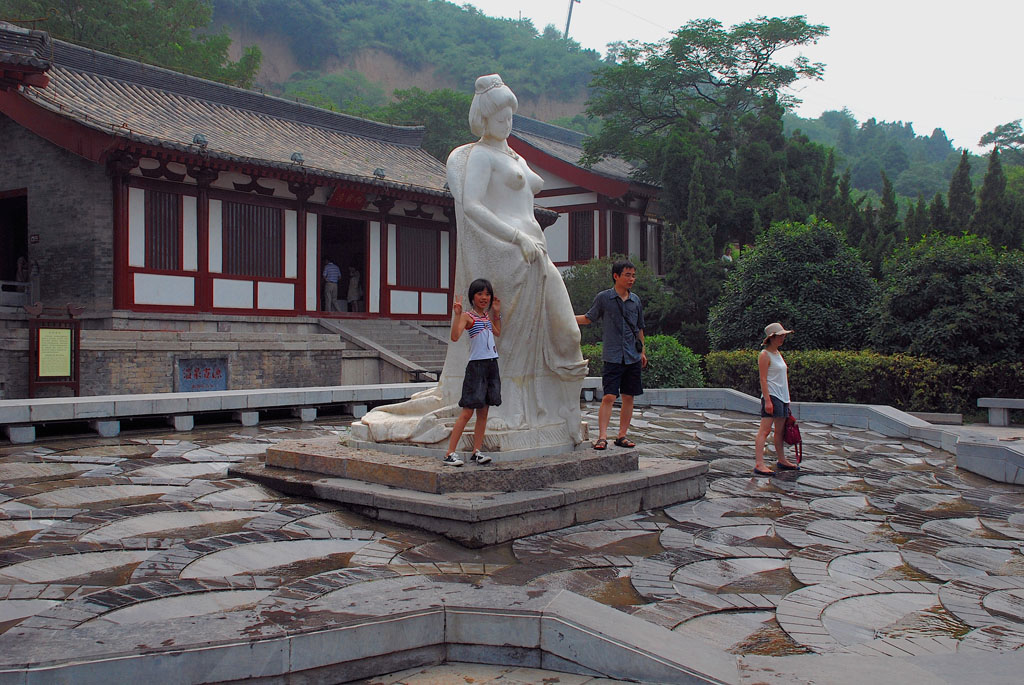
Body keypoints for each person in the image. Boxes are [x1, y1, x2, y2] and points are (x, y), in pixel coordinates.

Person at [356, 74, 588, 450]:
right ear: (483, 119)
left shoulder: (514, 155)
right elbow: (471, 205)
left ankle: (562, 411)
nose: (507, 123)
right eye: (500, 117)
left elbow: (535, 183)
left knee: (569, 334)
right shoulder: (480, 155)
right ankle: (519, 409)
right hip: (514, 255)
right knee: (513, 343)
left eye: (511, 115)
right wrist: (514, 238)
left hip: (537, 255)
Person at [576, 260, 647, 450]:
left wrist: (642, 352)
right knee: (608, 396)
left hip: (632, 356)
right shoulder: (604, 298)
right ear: (616, 276)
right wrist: (564, 317)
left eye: (633, 275)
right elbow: (588, 318)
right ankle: (602, 436)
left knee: (628, 397)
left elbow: (640, 328)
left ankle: (622, 435)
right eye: (627, 275)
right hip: (613, 355)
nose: (631, 279)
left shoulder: (636, 300)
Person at [443, 279, 500, 466]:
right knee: (467, 412)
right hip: (476, 367)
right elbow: (455, 336)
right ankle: (449, 453)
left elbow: (497, 332)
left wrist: (497, 313)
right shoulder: (469, 316)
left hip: (491, 364)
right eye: (480, 294)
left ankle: (477, 451)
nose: (484, 298)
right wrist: (457, 315)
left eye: (487, 294)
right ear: (472, 296)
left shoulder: (486, 317)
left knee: (484, 411)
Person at [754, 322, 797, 475]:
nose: (783, 338)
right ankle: (759, 463)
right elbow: (763, 379)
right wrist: (767, 400)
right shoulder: (764, 355)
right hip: (772, 396)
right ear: (771, 338)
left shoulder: (778, 353)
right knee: (765, 430)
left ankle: (782, 459)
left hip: (783, 396)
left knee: (780, 431)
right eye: (780, 336)